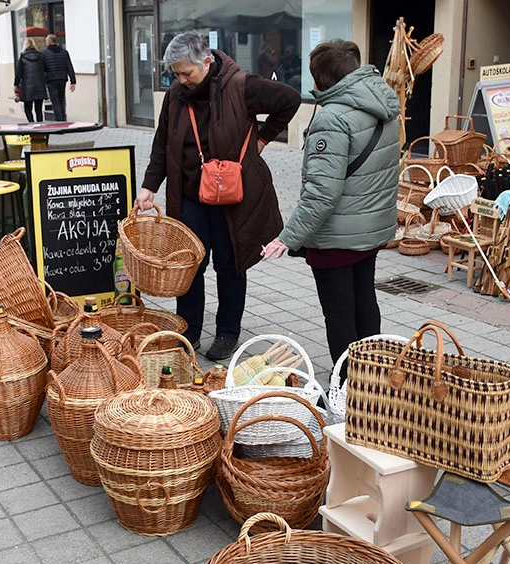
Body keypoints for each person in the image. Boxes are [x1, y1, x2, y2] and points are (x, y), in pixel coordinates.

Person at [135, 31, 301, 361]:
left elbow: (289, 100)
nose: (181, 80)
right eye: (176, 74)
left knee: (230, 264)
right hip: (189, 196)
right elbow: (162, 143)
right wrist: (148, 187)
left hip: (231, 196)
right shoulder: (175, 95)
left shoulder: (241, 85)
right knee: (189, 266)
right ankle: (188, 331)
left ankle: (227, 332)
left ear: (207, 61)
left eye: (186, 73)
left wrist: (262, 140)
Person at [261, 40, 399, 367]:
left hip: (336, 236)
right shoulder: (383, 106)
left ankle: (345, 383)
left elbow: (322, 193)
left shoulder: (333, 118)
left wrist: (287, 237)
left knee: (339, 315)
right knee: (365, 303)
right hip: (369, 229)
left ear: (321, 79)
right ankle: (371, 375)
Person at [42, 34, 75, 121]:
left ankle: (59, 121)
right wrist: (73, 81)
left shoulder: (44, 53)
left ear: (48, 42)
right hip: (62, 79)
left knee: (55, 102)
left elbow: (42, 69)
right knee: (61, 100)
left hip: (51, 80)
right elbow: (69, 66)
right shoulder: (64, 52)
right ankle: (63, 120)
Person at [15, 39, 47, 122]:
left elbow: (18, 73)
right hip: (40, 86)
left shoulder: (22, 57)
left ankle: (31, 123)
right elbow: (45, 69)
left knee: (28, 109)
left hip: (27, 87)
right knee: (38, 109)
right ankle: (40, 125)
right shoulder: (40, 56)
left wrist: (16, 84)